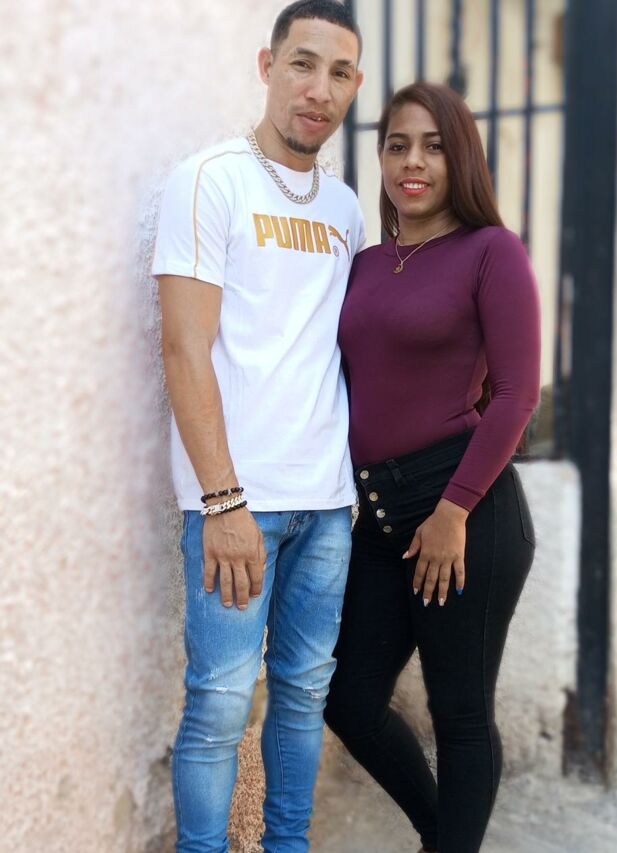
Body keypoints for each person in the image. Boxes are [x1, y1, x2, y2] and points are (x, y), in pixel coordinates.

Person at [152, 2, 364, 851]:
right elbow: (182, 348)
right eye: (303, 64)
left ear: (354, 87)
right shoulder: (209, 179)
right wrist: (223, 500)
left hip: (328, 505)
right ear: (267, 66)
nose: (319, 90)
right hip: (236, 502)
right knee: (219, 704)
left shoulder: (346, 209)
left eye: (339, 73)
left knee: (305, 696)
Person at [324, 81, 541, 853]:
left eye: (433, 146)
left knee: (459, 712)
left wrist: (454, 510)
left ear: (461, 159)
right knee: (348, 698)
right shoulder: (366, 263)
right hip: (382, 517)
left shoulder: (491, 251)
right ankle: (441, 837)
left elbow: (517, 394)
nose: (411, 162)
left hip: (466, 511)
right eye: (396, 145)